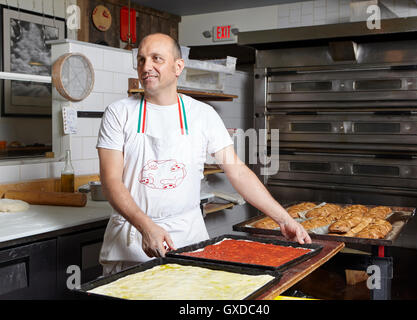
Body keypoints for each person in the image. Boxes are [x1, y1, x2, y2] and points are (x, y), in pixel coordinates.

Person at [96, 33, 311, 275]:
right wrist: (146, 226)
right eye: (141, 60)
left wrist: (283, 219)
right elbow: (111, 181)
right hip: (133, 242)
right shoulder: (118, 113)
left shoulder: (202, 115)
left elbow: (238, 171)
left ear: (178, 67)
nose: (147, 67)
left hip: (187, 238)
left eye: (157, 59)